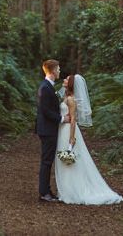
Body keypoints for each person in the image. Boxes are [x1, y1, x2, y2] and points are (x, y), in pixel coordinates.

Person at [55, 74, 123, 205]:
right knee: (64, 160)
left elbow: (74, 119)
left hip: (68, 131)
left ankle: (74, 191)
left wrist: (71, 138)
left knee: (71, 161)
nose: (64, 80)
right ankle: (66, 190)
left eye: (67, 79)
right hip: (62, 130)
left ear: (71, 84)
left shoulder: (71, 99)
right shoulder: (65, 96)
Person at [35, 59, 70, 202]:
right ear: (54, 70)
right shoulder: (45, 87)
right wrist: (62, 119)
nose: (60, 71)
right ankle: (44, 193)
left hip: (48, 129)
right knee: (46, 161)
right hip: (47, 130)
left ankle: (47, 190)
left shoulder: (49, 86)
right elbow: (46, 111)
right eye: (59, 69)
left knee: (48, 160)